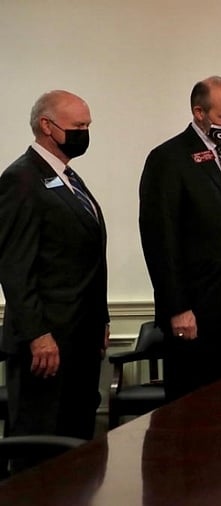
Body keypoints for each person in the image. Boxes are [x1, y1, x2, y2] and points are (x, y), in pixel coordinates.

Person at [139, 76, 221, 401]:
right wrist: (177, 308)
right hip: (196, 313)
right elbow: (161, 240)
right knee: (195, 410)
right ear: (199, 112)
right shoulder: (169, 159)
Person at [0, 90, 108, 440]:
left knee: (78, 442)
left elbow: (85, 256)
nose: (85, 133)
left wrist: (101, 317)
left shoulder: (68, 178)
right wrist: (38, 335)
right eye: (78, 126)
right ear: (47, 126)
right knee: (42, 441)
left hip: (81, 337)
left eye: (88, 125)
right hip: (48, 344)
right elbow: (15, 266)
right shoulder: (22, 179)